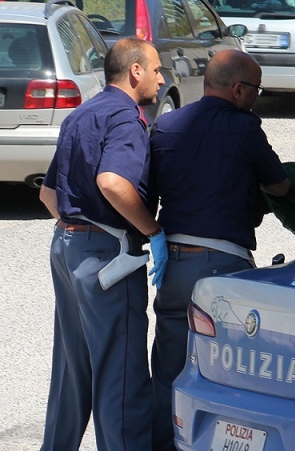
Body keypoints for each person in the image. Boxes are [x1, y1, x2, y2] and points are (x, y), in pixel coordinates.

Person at [148, 49, 290, 450]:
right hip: (224, 267)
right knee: (228, 374)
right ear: (239, 89)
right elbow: (279, 185)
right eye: (256, 91)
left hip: (173, 267)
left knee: (169, 370)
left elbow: (148, 193)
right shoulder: (245, 130)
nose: (257, 98)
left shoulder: (167, 125)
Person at [38, 37, 168, 450]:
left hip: (66, 246)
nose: (161, 78)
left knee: (71, 374)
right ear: (135, 72)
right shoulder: (126, 119)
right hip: (106, 258)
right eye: (157, 70)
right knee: (121, 376)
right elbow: (112, 182)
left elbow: (48, 195)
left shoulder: (82, 113)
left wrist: (79, 228)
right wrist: (153, 231)